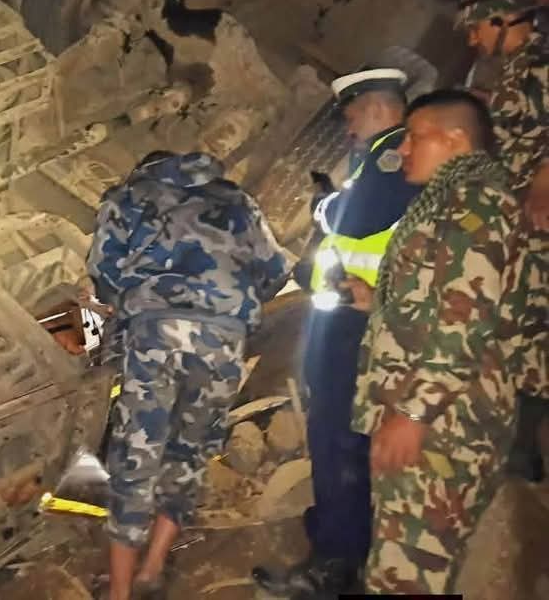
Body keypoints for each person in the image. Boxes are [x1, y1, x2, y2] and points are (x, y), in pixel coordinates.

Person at [347, 89, 527, 594]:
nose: (402, 149)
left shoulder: (477, 201)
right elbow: (443, 302)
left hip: (446, 421)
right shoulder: (450, 201)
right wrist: (375, 303)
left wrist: (414, 413)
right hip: (434, 411)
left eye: (414, 137)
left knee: (406, 575)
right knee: (400, 565)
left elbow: (465, 320)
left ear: (455, 139)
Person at [86, 151, 287, 600]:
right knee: (190, 452)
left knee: (137, 457)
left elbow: (103, 272)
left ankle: (119, 592)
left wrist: (132, 303)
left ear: (143, 170)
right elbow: (274, 272)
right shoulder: (238, 201)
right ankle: (152, 570)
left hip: (157, 333)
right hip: (224, 340)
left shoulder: (128, 196)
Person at [253, 65, 421, 597]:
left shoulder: (393, 158)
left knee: (338, 441)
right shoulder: (377, 160)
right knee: (338, 440)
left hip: (358, 327)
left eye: (351, 116)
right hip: (350, 319)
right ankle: (337, 538)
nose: (347, 128)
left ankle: (334, 564)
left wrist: (322, 205)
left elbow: (353, 219)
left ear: (376, 108)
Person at [455, 0, 548, 482]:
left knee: (524, 330)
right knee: (508, 328)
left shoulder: (542, 62)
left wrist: (545, 178)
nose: (474, 39)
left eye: (476, 27)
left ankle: (520, 450)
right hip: (513, 222)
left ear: (501, 18)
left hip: (537, 224)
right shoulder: (513, 72)